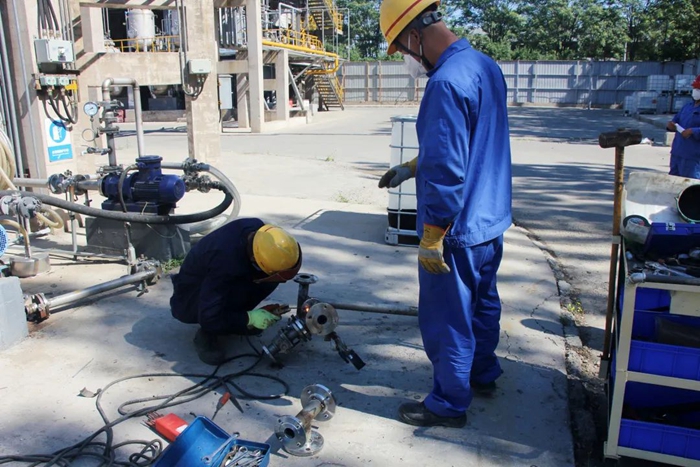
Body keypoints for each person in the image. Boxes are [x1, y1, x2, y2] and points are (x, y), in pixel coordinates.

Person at [378, 0, 512, 428]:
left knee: (447, 318)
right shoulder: (484, 66)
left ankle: (448, 404)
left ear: (414, 35)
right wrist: (412, 166)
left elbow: (448, 167)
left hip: (455, 230)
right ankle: (482, 373)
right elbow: (472, 138)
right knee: (483, 303)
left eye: (402, 49)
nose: (407, 59)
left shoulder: (445, 83)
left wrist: (433, 231)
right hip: (489, 220)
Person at [170, 218, 302, 365]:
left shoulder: (261, 234)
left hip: (222, 271)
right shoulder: (224, 264)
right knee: (212, 318)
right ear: (254, 258)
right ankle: (208, 334)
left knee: (270, 279)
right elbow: (209, 317)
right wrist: (248, 319)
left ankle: (233, 319)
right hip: (190, 295)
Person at [666, 75, 700, 179]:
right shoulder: (687, 107)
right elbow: (675, 120)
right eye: (695, 88)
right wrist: (671, 125)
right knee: (673, 182)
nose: (696, 91)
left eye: (698, 89)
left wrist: (692, 131)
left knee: (690, 185)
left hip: (693, 156)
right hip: (678, 152)